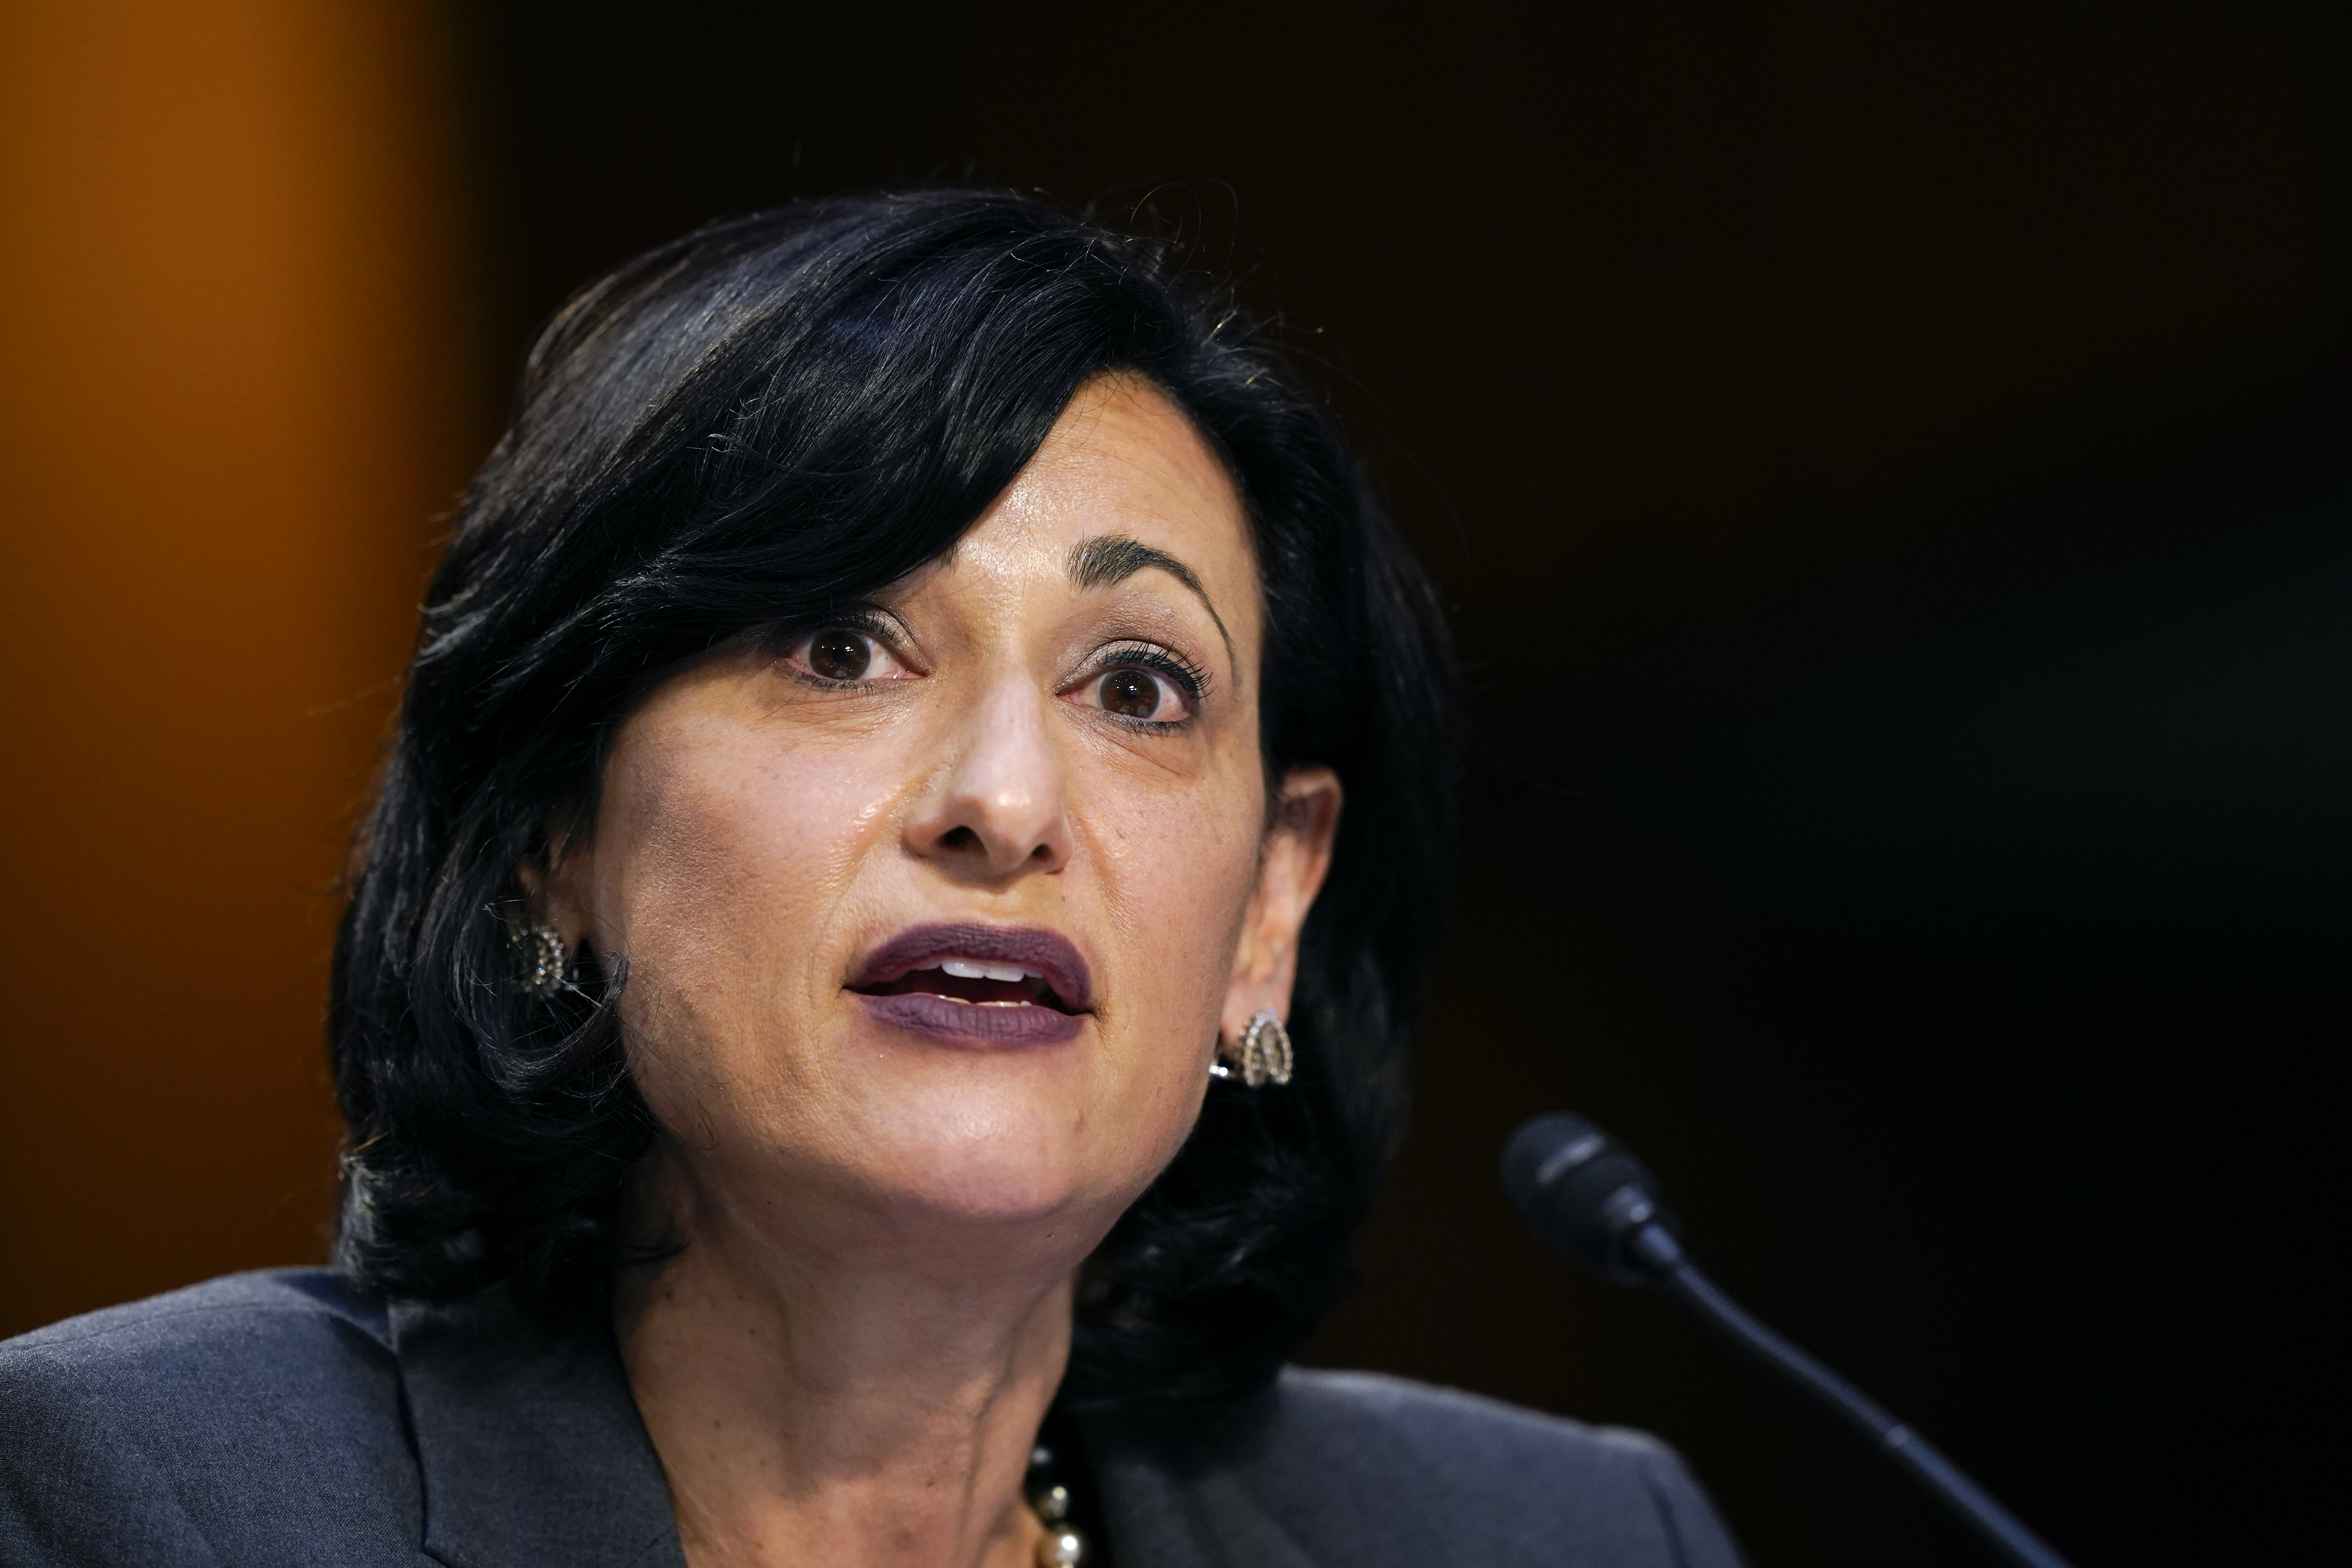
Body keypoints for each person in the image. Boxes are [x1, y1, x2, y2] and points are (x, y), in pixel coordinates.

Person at [0, 191, 1741, 1568]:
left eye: (1137, 686)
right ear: (556, 840)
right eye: (843, 647)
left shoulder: (1568, 1534)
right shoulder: (140, 1497)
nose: (1000, 801)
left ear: (1271, 910)